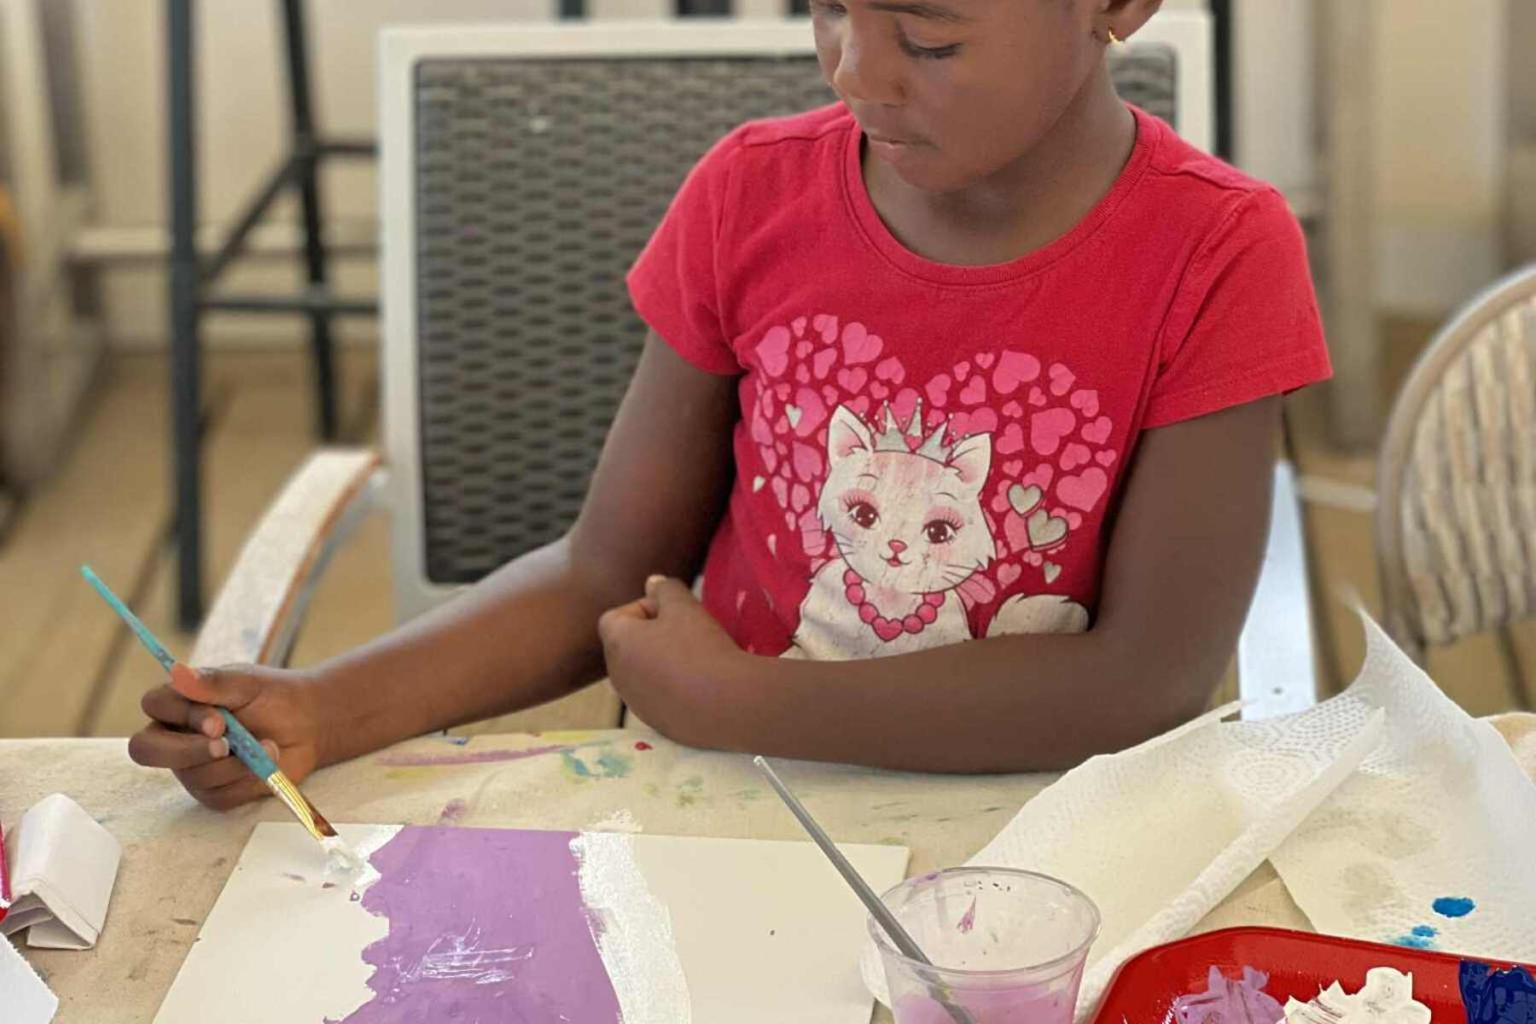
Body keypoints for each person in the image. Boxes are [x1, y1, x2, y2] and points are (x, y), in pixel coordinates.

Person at [129, 0, 1329, 807]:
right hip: (722, 812)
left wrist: (750, 697)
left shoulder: (1218, 253)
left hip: (1049, 843)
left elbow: (1147, 681)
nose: (854, 68)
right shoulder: (750, 197)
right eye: (824, 5)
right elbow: (601, 573)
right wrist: (324, 711)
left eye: (926, 33)